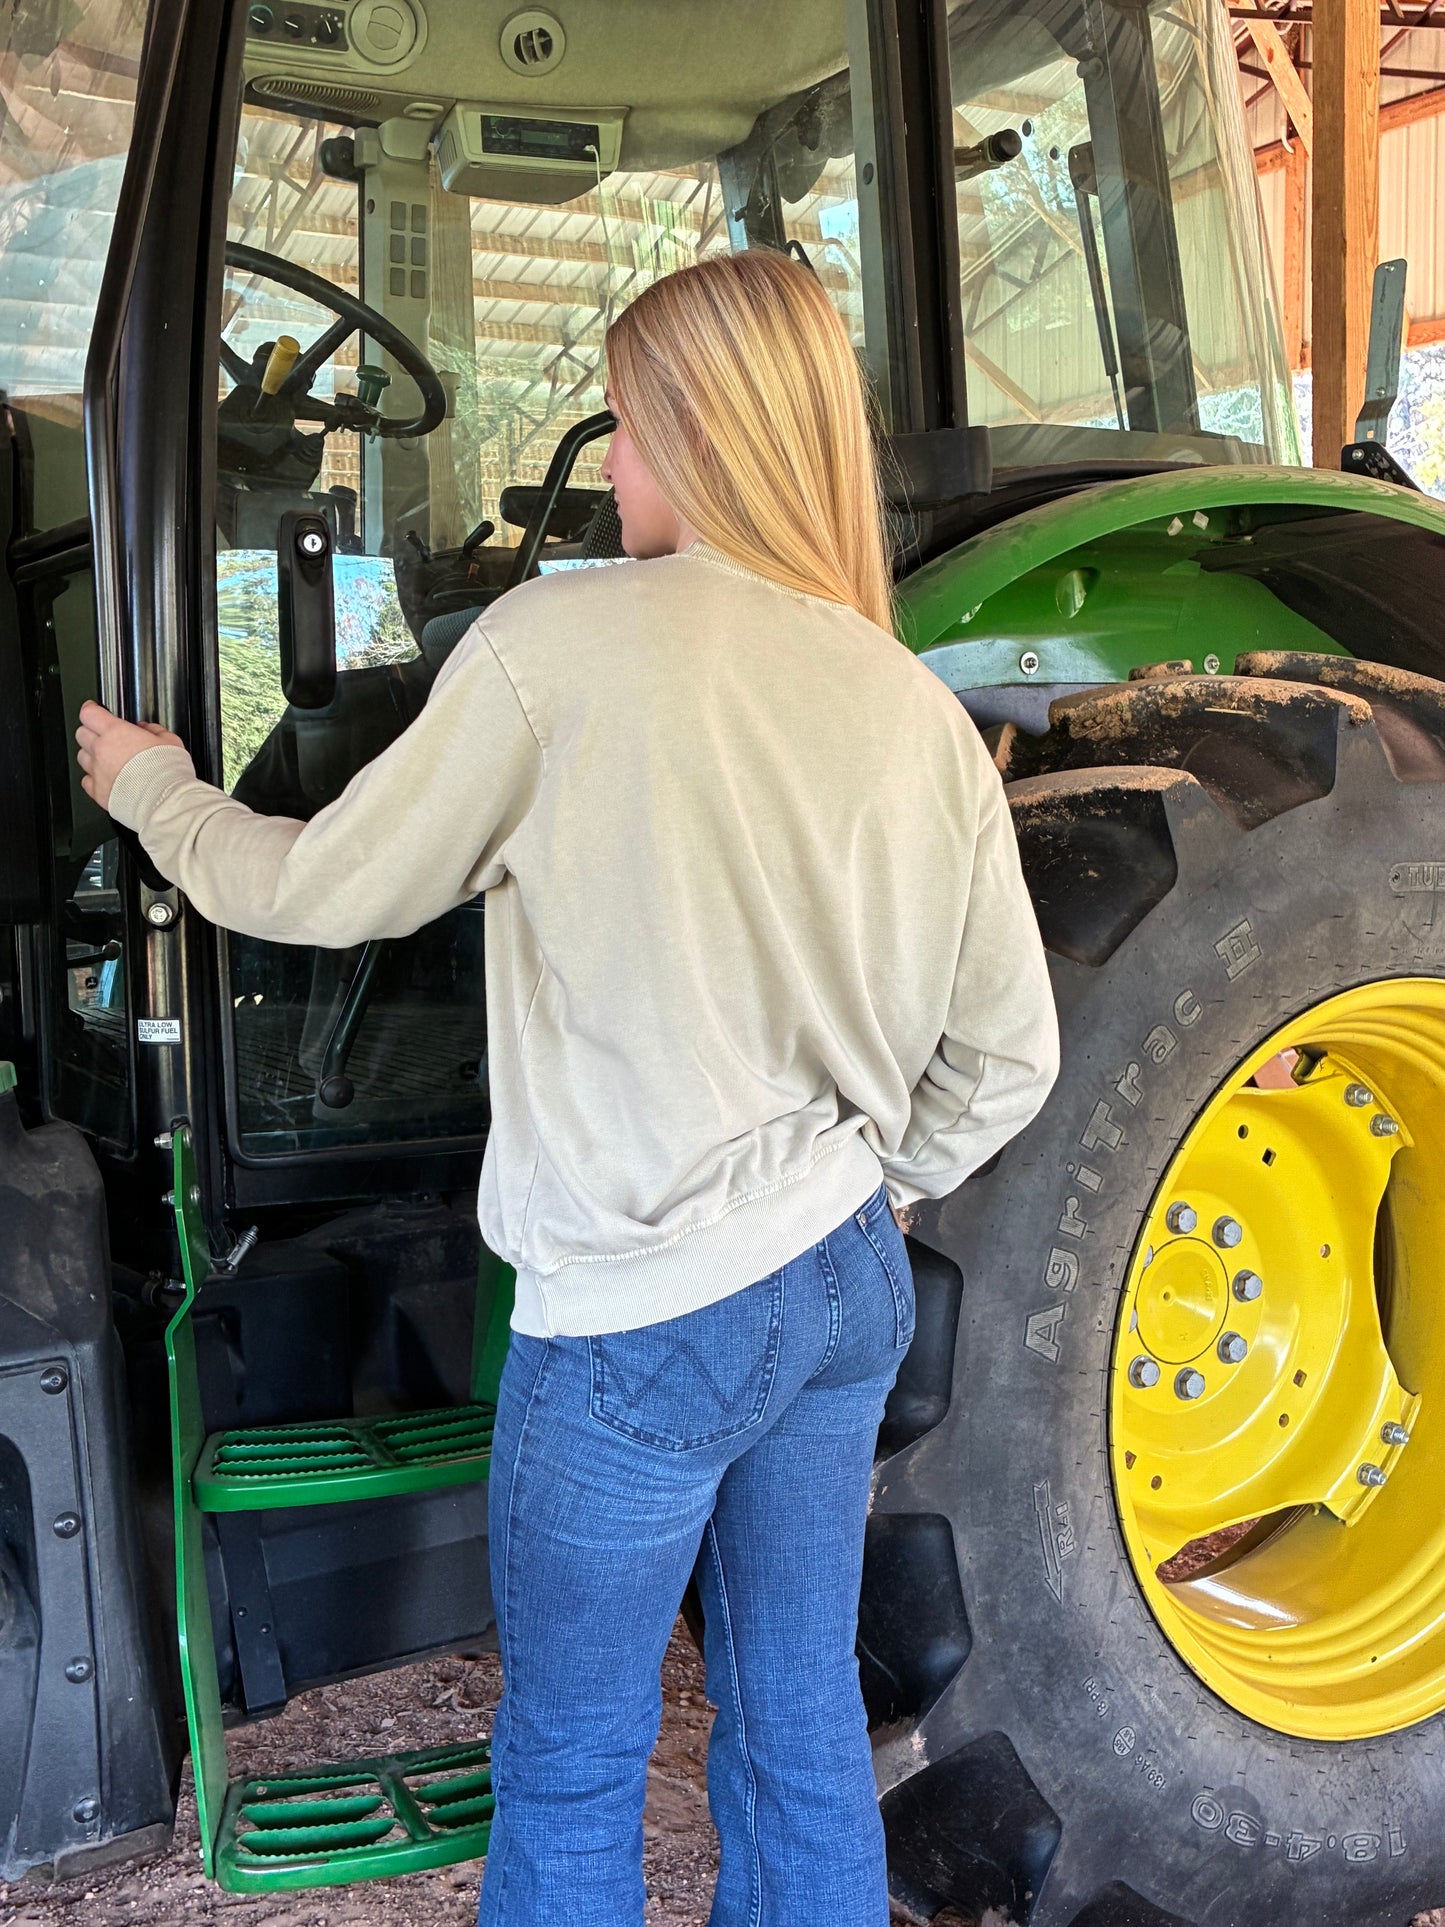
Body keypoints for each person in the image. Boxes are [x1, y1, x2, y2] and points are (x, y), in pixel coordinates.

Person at [76, 249, 1059, 1927]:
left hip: (636, 1324)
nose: (610, 462)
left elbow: (329, 892)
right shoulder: (910, 705)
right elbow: (1009, 1057)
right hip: (837, 1284)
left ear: (701, 431)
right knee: (801, 1725)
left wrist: (160, 796)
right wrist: (872, 1179)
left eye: (624, 422)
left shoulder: (559, 647)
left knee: (578, 1760)